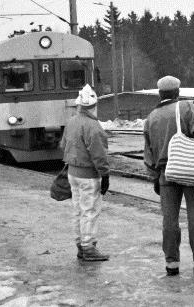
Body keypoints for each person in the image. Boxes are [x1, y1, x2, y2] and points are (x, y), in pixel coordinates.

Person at [143, 75, 194, 276]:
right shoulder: (186, 108)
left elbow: (148, 154)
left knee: (169, 220)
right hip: (191, 169)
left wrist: (154, 177)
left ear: (160, 94)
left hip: (165, 174)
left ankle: (172, 265)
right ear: (178, 92)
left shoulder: (151, 118)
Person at [60, 84, 110, 262]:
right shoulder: (93, 126)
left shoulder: (72, 122)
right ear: (95, 106)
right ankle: (88, 247)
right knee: (89, 211)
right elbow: (99, 154)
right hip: (88, 176)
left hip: (72, 173)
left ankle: (81, 246)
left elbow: (62, 145)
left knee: (77, 210)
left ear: (79, 105)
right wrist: (105, 174)